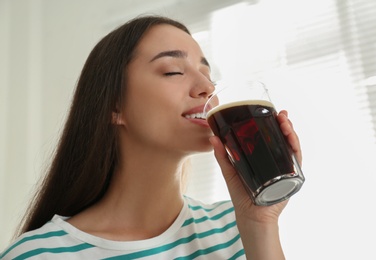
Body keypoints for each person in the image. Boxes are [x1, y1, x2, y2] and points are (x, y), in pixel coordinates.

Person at [0, 15, 302, 259]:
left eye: (207, 75)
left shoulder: (236, 227)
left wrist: (260, 223)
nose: (207, 88)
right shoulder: (39, 254)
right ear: (114, 106)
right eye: (173, 71)